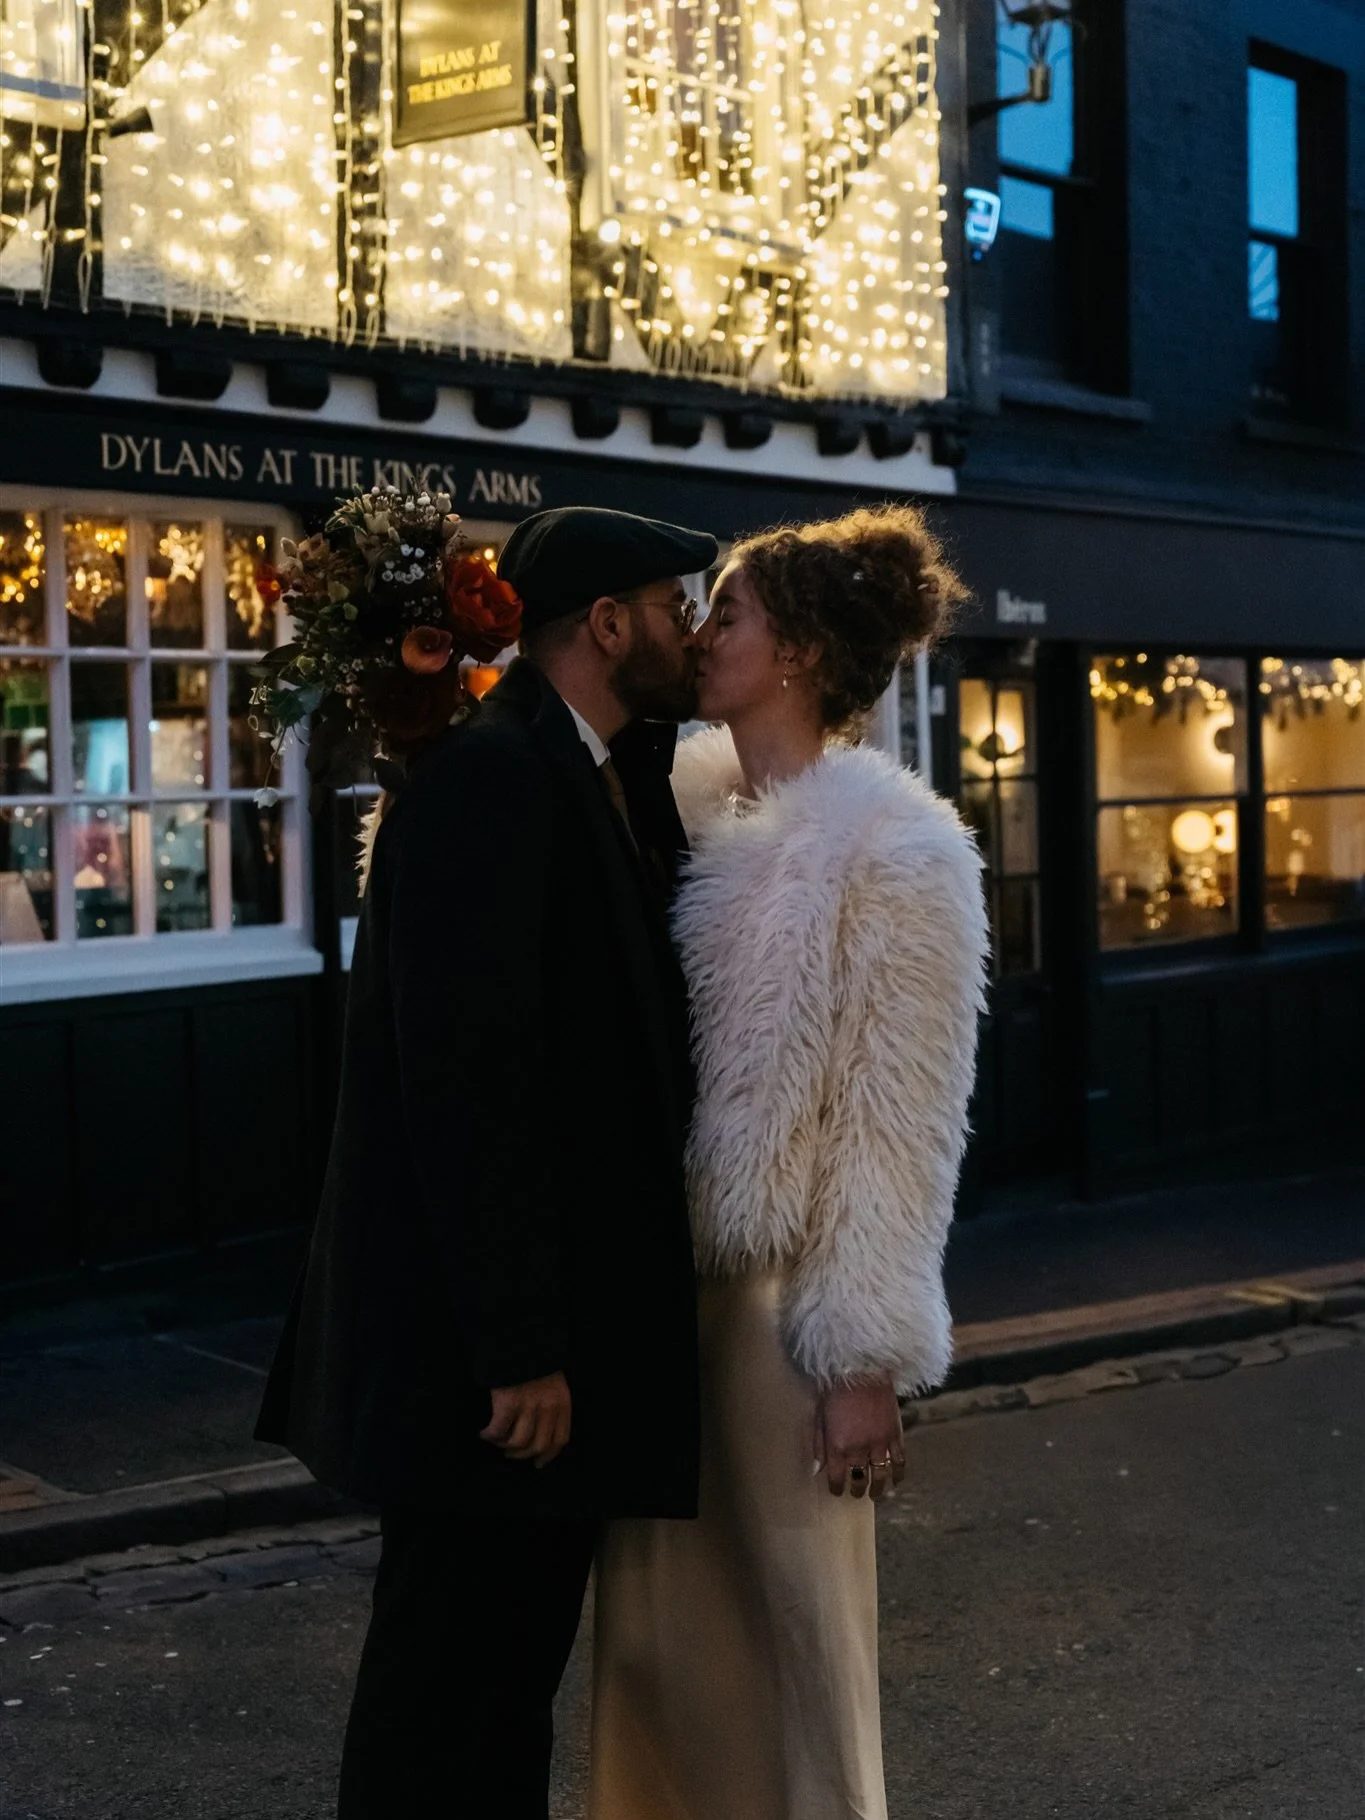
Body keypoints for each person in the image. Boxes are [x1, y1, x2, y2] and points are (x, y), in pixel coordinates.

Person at [256, 505, 718, 1820]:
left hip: (532, 1355)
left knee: (501, 1687)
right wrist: (519, 1347)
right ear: (608, 624)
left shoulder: (579, 768)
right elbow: (467, 1083)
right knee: (445, 1695)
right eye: (673, 605)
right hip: (490, 1371)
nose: (689, 627)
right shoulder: (493, 780)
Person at [589, 504, 990, 1820]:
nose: (707, 633)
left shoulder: (900, 853)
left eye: (737, 614)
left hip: (784, 1321)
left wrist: (862, 1359)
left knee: (802, 1655)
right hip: (661, 1307)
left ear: (804, 650)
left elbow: (900, 1120)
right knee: (657, 1657)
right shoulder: (681, 819)